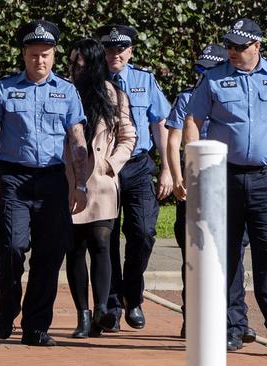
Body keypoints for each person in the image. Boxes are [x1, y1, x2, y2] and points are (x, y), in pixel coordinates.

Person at [185, 18, 267, 354]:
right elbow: (192, 122)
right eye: (229, 45)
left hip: (266, 178)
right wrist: (195, 172)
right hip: (224, 178)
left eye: (239, 46)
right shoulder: (213, 78)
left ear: (257, 46)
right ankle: (232, 327)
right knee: (227, 256)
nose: (232, 52)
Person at [0, 19, 88, 346]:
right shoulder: (5, 89)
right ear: (24, 55)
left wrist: (80, 184)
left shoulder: (67, 91)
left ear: (54, 55)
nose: (39, 60)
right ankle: (8, 307)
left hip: (53, 181)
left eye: (45, 55)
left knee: (50, 254)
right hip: (14, 178)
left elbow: (77, 141)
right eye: (33, 55)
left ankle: (36, 326)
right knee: (12, 248)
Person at [166, 43, 256, 344]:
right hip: (194, 185)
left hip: (226, 183)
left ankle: (237, 320)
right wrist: (179, 178)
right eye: (199, 69)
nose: (202, 75)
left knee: (234, 254)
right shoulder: (187, 99)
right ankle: (192, 317)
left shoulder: (234, 96)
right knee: (193, 255)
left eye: (208, 69)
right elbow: (174, 139)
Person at [95, 24, 172, 331]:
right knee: (106, 237)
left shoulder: (144, 80)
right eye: (110, 49)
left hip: (138, 165)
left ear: (130, 51)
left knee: (143, 232)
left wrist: (167, 166)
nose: (116, 54)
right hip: (103, 169)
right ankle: (112, 305)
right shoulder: (93, 82)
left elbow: (160, 123)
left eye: (121, 49)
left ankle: (133, 295)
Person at [64, 38, 136, 338]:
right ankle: (83, 314)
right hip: (70, 181)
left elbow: (128, 136)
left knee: (102, 245)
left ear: (90, 62)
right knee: (75, 249)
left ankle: (102, 310)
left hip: (103, 183)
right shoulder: (64, 91)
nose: (72, 67)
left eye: (77, 61)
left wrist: (111, 165)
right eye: (70, 61)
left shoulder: (113, 94)